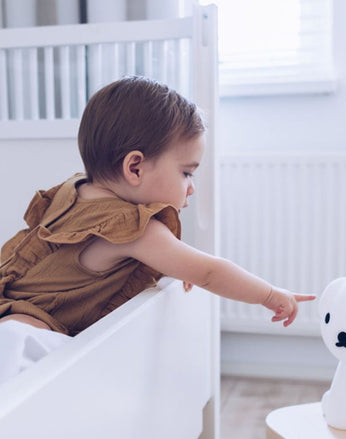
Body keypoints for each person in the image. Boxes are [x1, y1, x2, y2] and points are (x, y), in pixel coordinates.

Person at [0, 76, 315, 382]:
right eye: (186, 173)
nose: (190, 188)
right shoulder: (134, 228)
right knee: (17, 342)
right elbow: (209, 272)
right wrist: (270, 294)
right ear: (134, 167)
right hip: (29, 319)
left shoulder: (75, 189)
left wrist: (169, 267)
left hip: (12, 302)